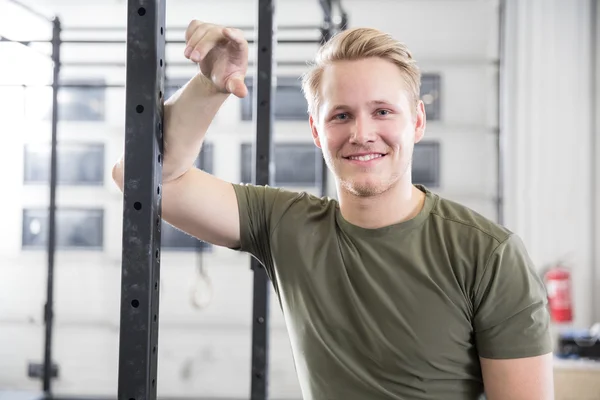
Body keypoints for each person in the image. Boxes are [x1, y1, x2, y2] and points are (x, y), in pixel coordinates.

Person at [112, 20, 554, 400]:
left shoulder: (488, 254)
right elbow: (146, 179)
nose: (362, 133)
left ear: (417, 121)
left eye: (382, 111)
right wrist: (208, 87)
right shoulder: (286, 224)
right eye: (340, 115)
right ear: (316, 130)